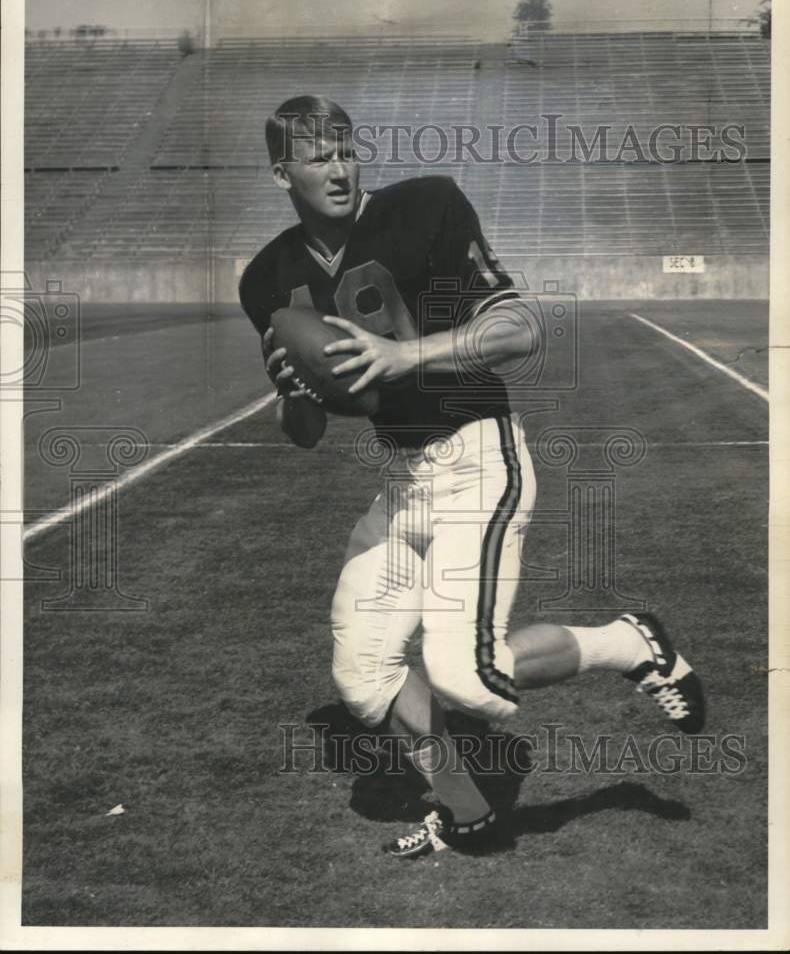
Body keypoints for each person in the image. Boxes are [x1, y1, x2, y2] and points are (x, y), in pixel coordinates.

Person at [239, 95, 705, 859]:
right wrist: (292, 393)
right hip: (402, 479)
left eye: (347, 149)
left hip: (477, 458)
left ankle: (631, 644)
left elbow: (519, 327)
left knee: (469, 680)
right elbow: (306, 432)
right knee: (362, 675)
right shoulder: (268, 276)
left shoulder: (425, 206)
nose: (338, 166)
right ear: (280, 171)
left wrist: (404, 356)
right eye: (317, 154)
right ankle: (468, 812)